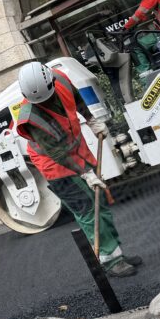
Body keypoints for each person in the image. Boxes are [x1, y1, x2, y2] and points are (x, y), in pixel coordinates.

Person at [15, 62, 142, 278]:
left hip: (77, 151)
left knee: (99, 200)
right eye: (39, 101)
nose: (43, 103)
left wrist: (91, 119)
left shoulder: (60, 78)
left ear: (51, 83)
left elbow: (76, 99)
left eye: (46, 98)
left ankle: (116, 254)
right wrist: (86, 174)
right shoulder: (30, 117)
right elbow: (57, 153)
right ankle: (110, 261)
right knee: (87, 208)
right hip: (56, 166)